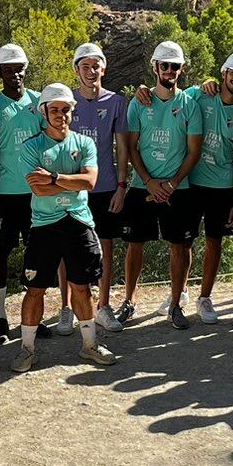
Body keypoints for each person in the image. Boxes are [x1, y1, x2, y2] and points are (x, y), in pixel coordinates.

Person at [14, 83, 119, 371]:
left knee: (81, 288)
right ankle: (27, 350)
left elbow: (90, 182)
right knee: (35, 289)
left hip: (79, 222)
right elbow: (38, 189)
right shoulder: (31, 146)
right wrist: (71, 182)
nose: (61, 115)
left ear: (72, 111)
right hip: (44, 225)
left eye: (66, 109)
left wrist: (54, 177)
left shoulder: (84, 143)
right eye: (55, 110)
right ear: (44, 112)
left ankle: (89, 346)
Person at [122, 41, 204, 327]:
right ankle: (129, 301)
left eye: (175, 66)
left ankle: (175, 304)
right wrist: (148, 181)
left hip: (178, 189)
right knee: (135, 244)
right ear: (155, 67)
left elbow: (194, 151)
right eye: (164, 65)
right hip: (142, 185)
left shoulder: (190, 105)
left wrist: (172, 182)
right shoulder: (139, 102)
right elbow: (131, 147)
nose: (170, 70)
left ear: (182, 69)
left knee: (180, 246)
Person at [66, 41, 131, 331]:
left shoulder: (116, 102)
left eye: (96, 66)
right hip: (73, 186)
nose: (91, 71)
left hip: (105, 186)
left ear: (104, 69)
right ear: (76, 70)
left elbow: (122, 147)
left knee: (105, 246)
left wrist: (121, 185)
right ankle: (67, 308)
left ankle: (103, 307)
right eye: (85, 66)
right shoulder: (67, 100)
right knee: (68, 248)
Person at [0, 43, 41, 344]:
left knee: (35, 254)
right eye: (8, 70)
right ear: (0, 73)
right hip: (4, 194)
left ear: (25, 70)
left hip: (35, 193)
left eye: (19, 69)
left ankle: (32, 316)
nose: (15, 75)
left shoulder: (40, 102)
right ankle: (1, 318)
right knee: (1, 253)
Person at [189, 51, 233, 324]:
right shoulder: (200, 95)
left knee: (214, 242)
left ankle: (204, 297)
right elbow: (169, 97)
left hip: (222, 185)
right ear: (223, 73)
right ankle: (178, 294)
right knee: (182, 243)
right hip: (190, 181)